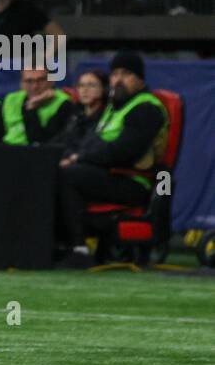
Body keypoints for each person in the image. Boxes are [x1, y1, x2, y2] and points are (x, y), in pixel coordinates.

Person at [57, 52, 168, 263]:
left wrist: (79, 158)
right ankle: (56, 243)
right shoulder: (114, 109)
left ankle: (79, 248)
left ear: (140, 80)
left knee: (69, 175)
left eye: (126, 74)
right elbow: (91, 142)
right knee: (54, 172)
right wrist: (73, 156)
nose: (118, 79)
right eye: (115, 74)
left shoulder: (146, 108)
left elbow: (124, 152)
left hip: (133, 182)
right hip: (106, 175)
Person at [2, 66, 73, 146]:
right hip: (7, 150)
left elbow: (41, 142)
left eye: (41, 80)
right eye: (29, 81)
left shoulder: (63, 103)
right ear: (21, 84)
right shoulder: (11, 99)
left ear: (52, 81)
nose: (35, 86)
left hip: (38, 154)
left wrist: (31, 107)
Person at [57, 68, 108, 150]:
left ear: (104, 89)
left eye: (91, 85)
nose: (85, 90)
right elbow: (60, 139)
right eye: (81, 85)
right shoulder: (74, 114)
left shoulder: (107, 116)